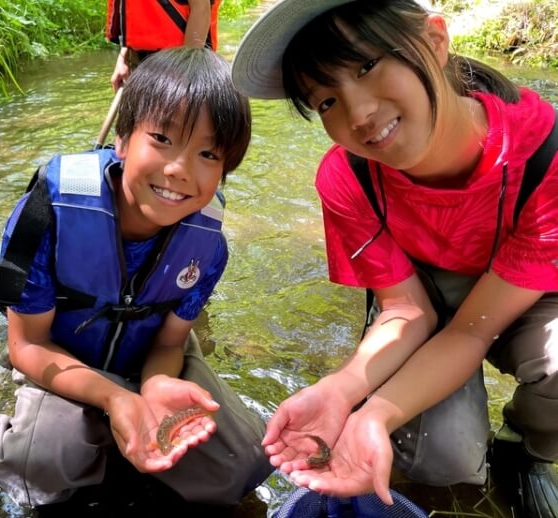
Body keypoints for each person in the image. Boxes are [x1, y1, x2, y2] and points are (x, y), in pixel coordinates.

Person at [230, 1, 558, 516]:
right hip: (427, 295)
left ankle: (526, 447)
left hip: (520, 290)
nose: (358, 115)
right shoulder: (348, 178)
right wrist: (350, 399)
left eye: (367, 65)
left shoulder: (545, 153)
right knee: (443, 459)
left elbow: (476, 328)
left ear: (434, 40)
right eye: (326, 101)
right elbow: (407, 310)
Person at [0, 46, 272, 509]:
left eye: (208, 153)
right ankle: (15, 429)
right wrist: (115, 399)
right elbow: (26, 345)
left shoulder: (209, 245)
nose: (178, 169)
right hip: (64, 356)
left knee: (245, 462)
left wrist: (153, 388)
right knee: (43, 463)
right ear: (123, 140)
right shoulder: (47, 213)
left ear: (224, 170)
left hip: (153, 356)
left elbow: (170, 344)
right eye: (162, 138)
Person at [106, 0, 221, 91]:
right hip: (140, 63)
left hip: (180, 64)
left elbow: (201, 9)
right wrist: (123, 57)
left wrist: (187, 74)